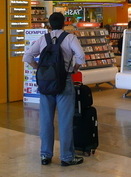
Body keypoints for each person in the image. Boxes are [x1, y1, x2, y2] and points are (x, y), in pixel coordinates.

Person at [23, 11, 86, 167]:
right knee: (65, 121)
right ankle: (67, 157)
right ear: (64, 23)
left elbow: (27, 57)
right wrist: (75, 69)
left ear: (49, 25)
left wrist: (39, 69)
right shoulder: (70, 38)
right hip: (64, 81)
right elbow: (81, 56)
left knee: (45, 120)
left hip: (46, 84)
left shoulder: (43, 39)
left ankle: (45, 155)